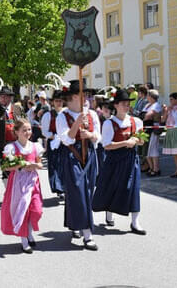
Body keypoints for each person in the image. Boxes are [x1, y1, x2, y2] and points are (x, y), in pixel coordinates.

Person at [93, 89, 146, 235]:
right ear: (115, 105)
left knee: (133, 189)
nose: (126, 106)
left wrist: (136, 140)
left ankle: (135, 222)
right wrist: (125, 143)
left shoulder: (136, 121)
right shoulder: (109, 124)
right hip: (114, 160)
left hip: (131, 160)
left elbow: (141, 142)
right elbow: (106, 145)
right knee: (112, 187)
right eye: (123, 103)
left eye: (128, 103)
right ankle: (109, 213)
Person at [56, 80, 101, 251]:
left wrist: (89, 134)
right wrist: (76, 124)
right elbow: (66, 139)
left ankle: (75, 223)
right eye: (84, 95)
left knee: (87, 192)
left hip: (89, 155)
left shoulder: (92, 114)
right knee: (78, 191)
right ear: (75, 96)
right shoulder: (62, 116)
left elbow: (99, 137)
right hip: (71, 155)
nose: (87, 98)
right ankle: (88, 235)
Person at [1, 118, 44, 254]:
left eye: (29, 129)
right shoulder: (11, 148)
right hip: (18, 182)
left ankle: (29, 232)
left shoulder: (35, 146)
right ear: (17, 132)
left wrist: (36, 165)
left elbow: (40, 163)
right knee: (22, 210)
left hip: (33, 181)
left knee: (36, 210)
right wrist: (22, 165)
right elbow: (7, 167)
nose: (27, 132)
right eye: (24, 130)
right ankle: (24, 240)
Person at [0, 86, 23, 180]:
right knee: (6, 171)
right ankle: (9, 191)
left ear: (10, 98)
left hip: (17, 144)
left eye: (5, 96)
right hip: (2, 145)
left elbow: (25, 124)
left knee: (20, 169)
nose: (3, 99)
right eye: (1, 97)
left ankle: (18, 191)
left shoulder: (17, 109)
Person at [41, 90, 65, 199]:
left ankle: (65, 187)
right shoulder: (48, 115)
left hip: (65, 143)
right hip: (54, 143)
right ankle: (59, 188)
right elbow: (44, 132)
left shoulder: (66, 113)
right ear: (53, 102)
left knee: (65, 165)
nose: (59, 103)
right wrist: (55, 136)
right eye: (56, 101)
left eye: (60, 101)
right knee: (55, 165)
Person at [142, 89, 162, 176]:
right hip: (146, 128)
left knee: (153, 149)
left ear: (151, 96)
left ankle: (156, 168)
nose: (147, 97)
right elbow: (143, 115)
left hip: (153, 129)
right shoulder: (147, 105)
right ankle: (151, 167)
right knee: (147, 150)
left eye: (148, 95)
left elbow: (147, 116)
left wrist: (141, 115)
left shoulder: (156, 105)